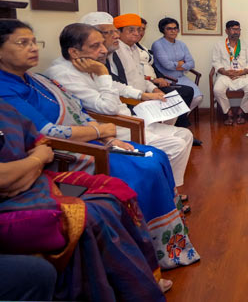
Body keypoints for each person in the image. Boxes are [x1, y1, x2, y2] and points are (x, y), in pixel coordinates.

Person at [0, 19, 199, 269]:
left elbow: (77, 109)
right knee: (146, 166)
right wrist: (100, 130)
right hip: (70, 153)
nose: (33, 48)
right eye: (22, 43)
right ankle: (145, 253)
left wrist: (108, 136)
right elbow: (47, 132)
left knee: (156, 156)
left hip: (95, 138)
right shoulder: (6, 88)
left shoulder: (38, 79)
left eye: (33, 41)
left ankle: (166, 244)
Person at [0, 98, 171, 300]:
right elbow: (11, 175)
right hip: (13, 203)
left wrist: (27, 169)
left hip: (37, 182)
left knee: (115, 191)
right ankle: (127, 291)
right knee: (91, 215)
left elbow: (42, 146)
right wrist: (35, 162)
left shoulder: (10, 105)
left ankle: (143, 278)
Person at [46, 23, 193, 188]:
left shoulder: (86, 63)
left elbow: (115, 85)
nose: (103, 50)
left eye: (103, 43)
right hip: (116, 128)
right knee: (177, 145)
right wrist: (102, 72)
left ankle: (171, 188)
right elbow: (108, 108)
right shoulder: (66, 75)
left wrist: (143, 94)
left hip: (128, 119)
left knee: (185, 135)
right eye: (96, 46)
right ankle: (166, 189)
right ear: (74, 52)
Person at [85, 13, 198, 141]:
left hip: (141, 96)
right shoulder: (114, 52)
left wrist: (153, 89)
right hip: (131, 103)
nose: (137, 33)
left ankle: (176, 129)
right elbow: (115, 84)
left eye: (139, 30)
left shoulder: (135, 49)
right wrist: (143, 96)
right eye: (131, 30)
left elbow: (140, 76)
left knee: (175, 107)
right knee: (174, 123)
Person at [151, 17, 203, 111]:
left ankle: (180, 117)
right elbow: (166, 65)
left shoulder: (181, 44)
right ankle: (178, 118)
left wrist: (179, 66)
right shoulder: (157, 44)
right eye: (169, 29)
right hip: (166, 80)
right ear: (163, 30)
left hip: (181, 78)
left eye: (175, 28)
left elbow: (191, 63)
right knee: (176, 99)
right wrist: (180, 64)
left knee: (198, 97)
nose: (173, 31)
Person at [212, 20, 248, 125]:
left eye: (238, 29)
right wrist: (226, 72)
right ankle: (228, 112)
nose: (236, 32)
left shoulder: (246, 45)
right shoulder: (219, 45)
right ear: (226, 31)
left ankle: (242, 111)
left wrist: (241, 72)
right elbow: (216, 62)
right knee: (217, 90)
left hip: (242, 75)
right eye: (233, 29)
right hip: (225, 76)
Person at [137, 17, 171, 88]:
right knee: (185, 92)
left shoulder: (142, 47)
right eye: (138, 29)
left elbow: (152, 65)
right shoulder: (158, 44)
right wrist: (154, 80)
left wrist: (161, 78)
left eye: (143, 29)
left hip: (155, 81)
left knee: (187, 91)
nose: (141, 32)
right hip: (145, 83)